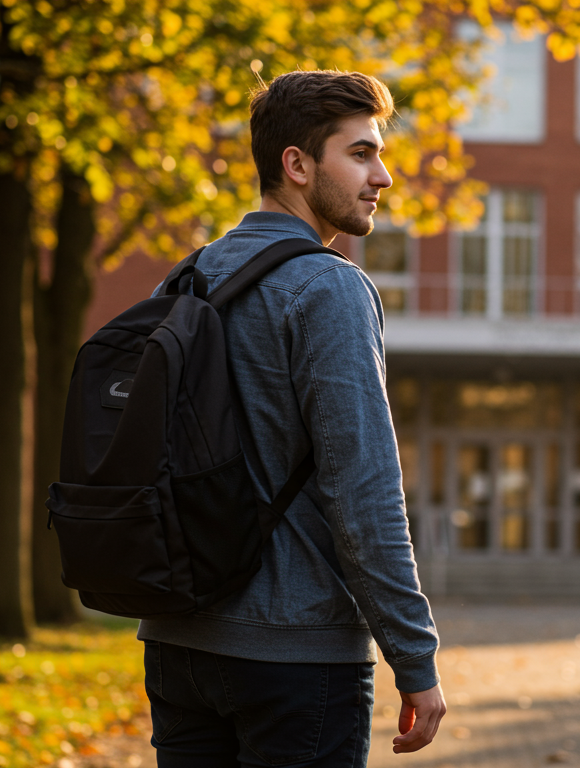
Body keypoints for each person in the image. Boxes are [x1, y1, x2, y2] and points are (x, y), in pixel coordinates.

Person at [138, 69, 445, 767]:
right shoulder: (329, 288)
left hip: (178, 646)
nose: (383, 177)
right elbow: (364, 491)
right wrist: (414, 657)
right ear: (298, 165)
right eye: (361, 154)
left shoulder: (184, 280)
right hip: (295, 659)